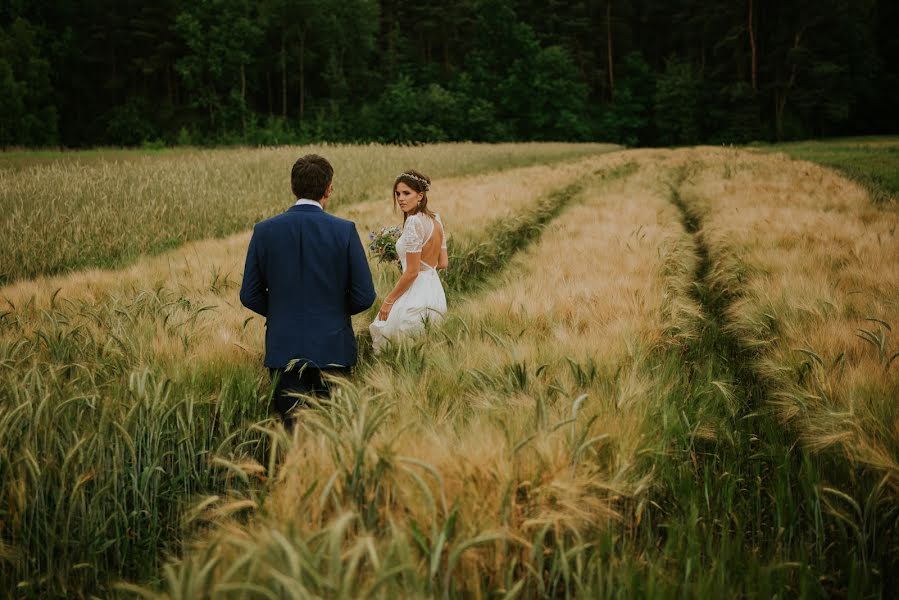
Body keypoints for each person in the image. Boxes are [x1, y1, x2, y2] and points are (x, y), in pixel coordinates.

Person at [240, 154, 376, 427]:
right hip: (333, 347)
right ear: (329, 188)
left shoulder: (264, 231)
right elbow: (364, 295)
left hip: (284, 347)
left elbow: (249, 294)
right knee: (334, 431)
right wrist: (332, 312)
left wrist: (281, 311)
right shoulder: (344, 231)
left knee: (293, 433)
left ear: (292, 187)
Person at [369, 170, 448, 352]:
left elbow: (412, 272)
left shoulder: (414, 222)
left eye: (406, 193)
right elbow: (443, 262)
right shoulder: (436, 219)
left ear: (420, 195)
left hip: (416, 292)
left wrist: (388, 301)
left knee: (397, 347)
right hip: (434, 291)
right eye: (397, 194)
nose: (400, 198)